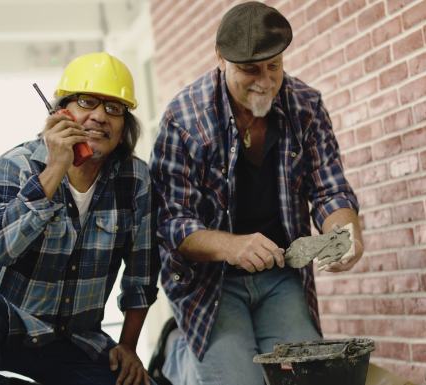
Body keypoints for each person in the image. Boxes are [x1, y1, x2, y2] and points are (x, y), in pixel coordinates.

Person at [149, 2, 364, 385]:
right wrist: (233, 247)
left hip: (281, 275)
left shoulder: (306, 106)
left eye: (274, 66)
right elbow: (172, 224)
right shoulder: (183, 119)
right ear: (221, 59)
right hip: (209, 282)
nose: (265, 81)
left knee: (311, 378)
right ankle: (180, 354)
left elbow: (329, 189)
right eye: (250, 69)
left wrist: (346, 231)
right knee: (238, 380)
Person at [0, 52, 160, 385]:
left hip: (73, 341)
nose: (99, 116)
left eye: (114, 108)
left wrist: (128, 345)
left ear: (124, 124)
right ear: (61, 112)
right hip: (3, 328)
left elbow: (141, 274)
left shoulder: (135, 179)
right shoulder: (16, 164)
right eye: (87, 102)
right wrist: (55, 168)